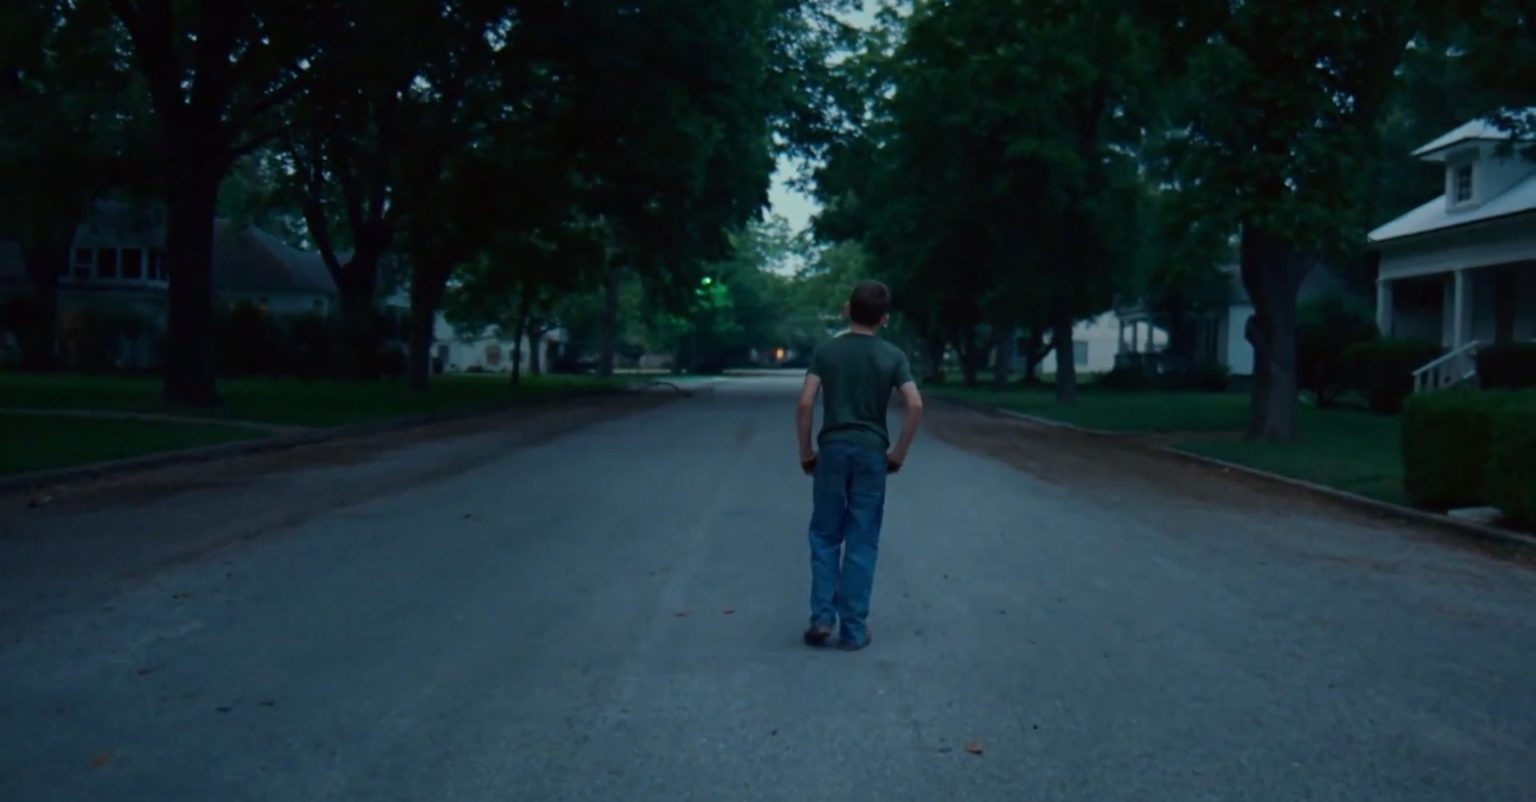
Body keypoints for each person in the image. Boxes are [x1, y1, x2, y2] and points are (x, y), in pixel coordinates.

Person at [795, 280, 924, 651]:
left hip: (833, 450)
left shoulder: (826, 352)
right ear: (884, 318)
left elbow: (805, 403)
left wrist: (806, 451)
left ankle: (822, 617)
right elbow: (915, 404)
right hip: (871, 452)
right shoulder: (892, 356)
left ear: (846, 310)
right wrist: (898, 453)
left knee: (825, 534)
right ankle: (853, 629)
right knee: (862, 538)